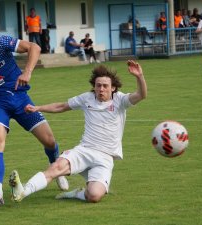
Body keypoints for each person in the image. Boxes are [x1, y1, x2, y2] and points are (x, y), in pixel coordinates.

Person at [0, 16, 68, 206]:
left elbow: (35, 47)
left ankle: (55, 168)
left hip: (20, 99)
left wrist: (27, 72)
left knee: (50, 141)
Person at [9, 60, 147, 203]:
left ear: (113, 88)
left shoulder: (120, 100)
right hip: (84, 150)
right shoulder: (87, 98)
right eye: (98, 85)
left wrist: (139, 76)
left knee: (94, 195)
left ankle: (76, 193)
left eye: (105, 86)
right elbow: (61, 106)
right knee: (56, 167)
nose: (101, 89)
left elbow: (141, 95)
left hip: (105, 157)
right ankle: (23, 190)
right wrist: (38, 108)